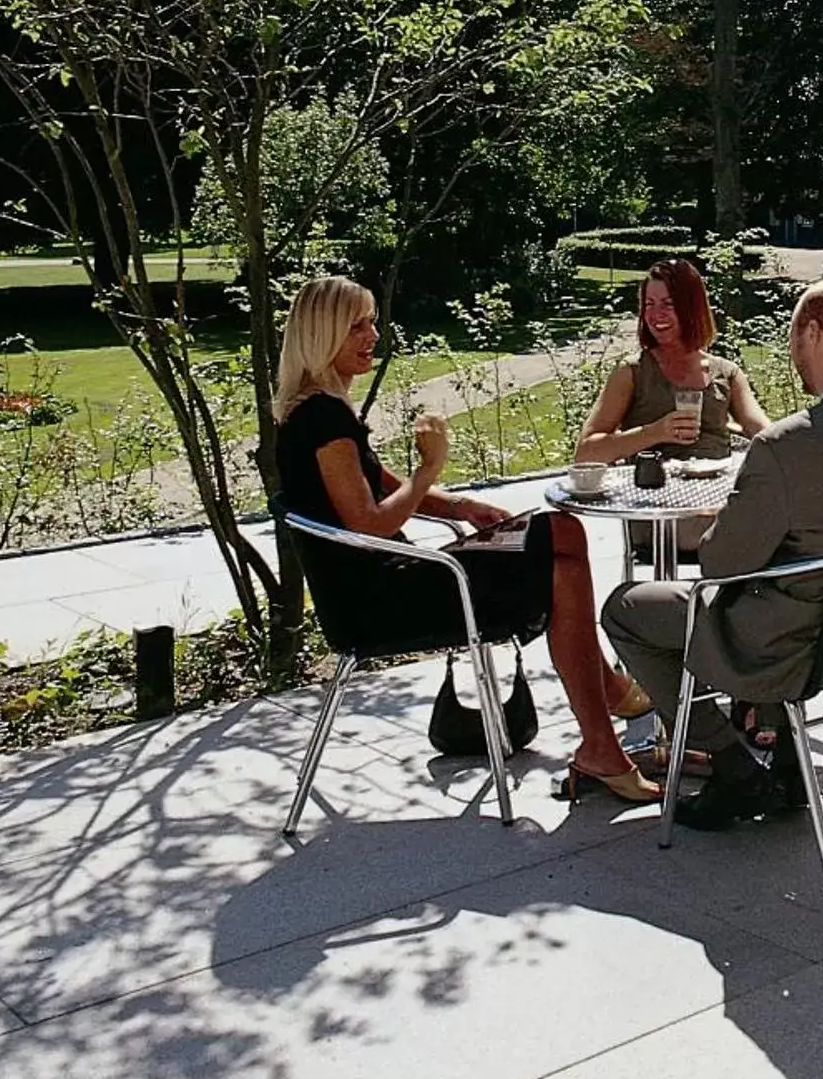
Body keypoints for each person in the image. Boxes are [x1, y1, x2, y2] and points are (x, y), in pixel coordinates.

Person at [273, 274, 661, 804]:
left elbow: (386, 487)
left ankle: (602, 738)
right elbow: (370, 524)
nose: (372, 335)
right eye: (356, 326)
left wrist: (462, 506)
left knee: (560, 547)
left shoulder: (316, 409)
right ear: (322, 335)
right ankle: (609, 709)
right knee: (559, 538)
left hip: (390, 584)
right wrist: (430, 468)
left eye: (372, 322)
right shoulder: (324, 419)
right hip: (385, 601)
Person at [602, 277, 823, 831]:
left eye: (795, 339)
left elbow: (722, 563)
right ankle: (791, 760)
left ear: (815, 332)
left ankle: (731, 765)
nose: (793, 355)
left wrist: (726, 520)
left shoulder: (788, 446)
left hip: (788, 646)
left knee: (628, 608)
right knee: (782, 585)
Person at [574, 257, 769, 471]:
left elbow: (763, 431)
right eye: (650, 304)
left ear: (692, 308)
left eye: (668, 304)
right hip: (651, 495)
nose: (656, 315)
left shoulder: (726, 373)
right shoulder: (632, 372)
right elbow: (585, 453)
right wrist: (655, 432)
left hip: (716, 495)